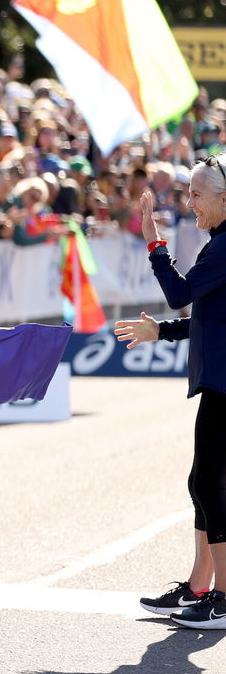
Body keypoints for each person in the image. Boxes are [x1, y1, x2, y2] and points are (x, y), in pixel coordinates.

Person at [115, 158, 226, 628]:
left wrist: (154, 242)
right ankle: (201, 587)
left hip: (224, 383)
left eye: (197, 194)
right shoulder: (219, 245)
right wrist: (160, 333)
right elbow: (207, 315)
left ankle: (221, 596)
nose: (190, 203)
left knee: (209, 485)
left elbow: (180, 293)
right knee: (202, 482)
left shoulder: (223, 247)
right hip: (218, 379)